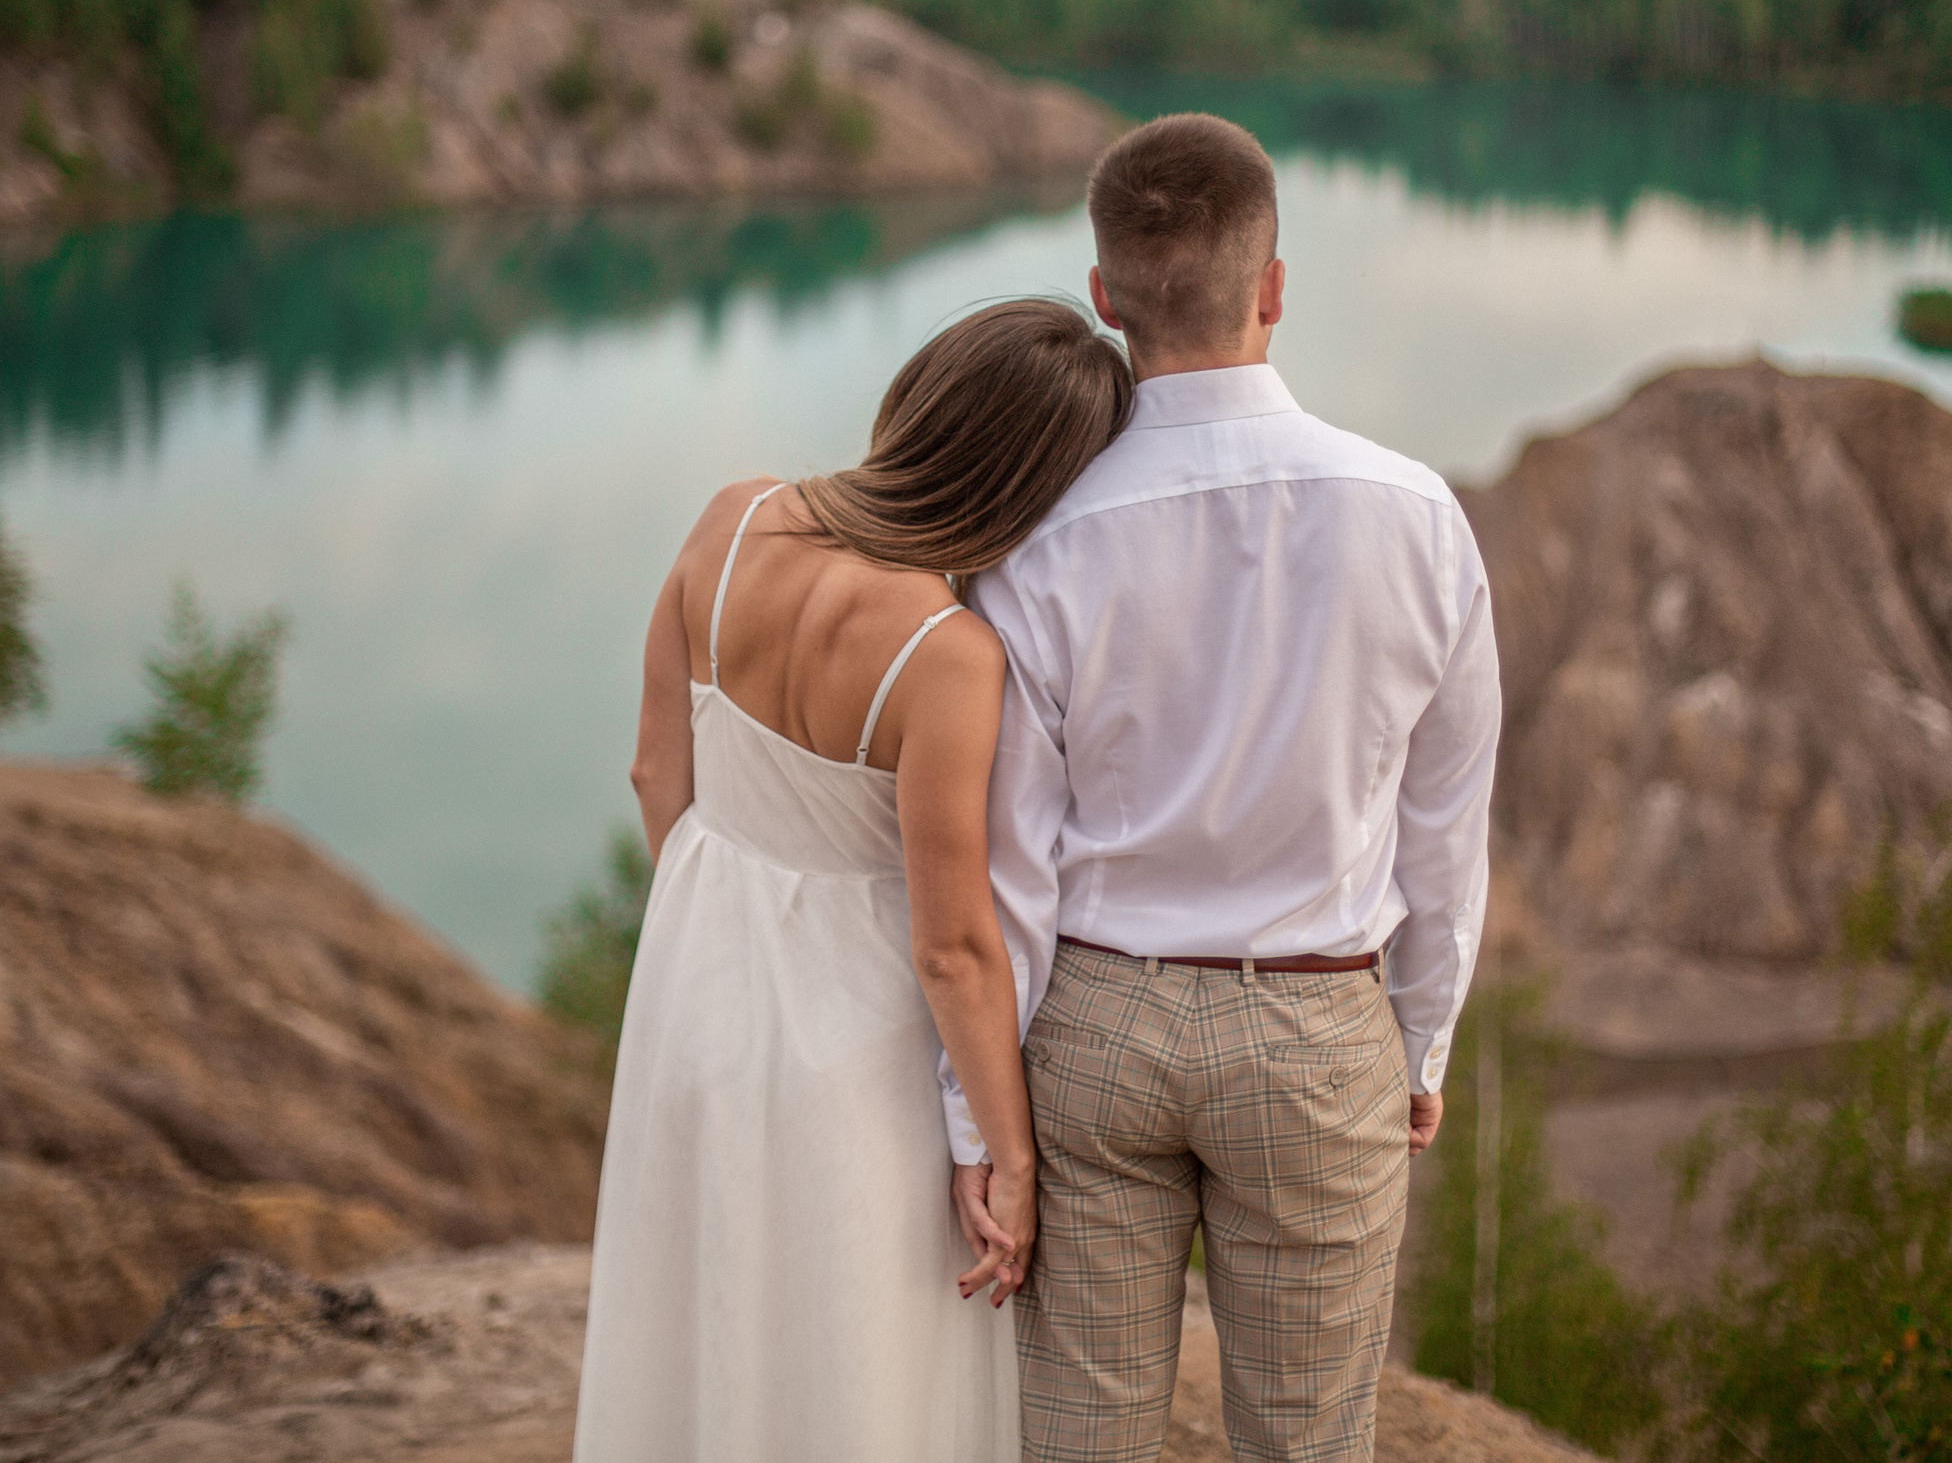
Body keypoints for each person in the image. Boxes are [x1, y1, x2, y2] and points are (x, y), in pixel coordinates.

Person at [951, 114, 1501, 1463]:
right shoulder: (1418, 516)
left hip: (1093, 1027)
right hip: (1317, 1028)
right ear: (1274, 286)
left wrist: (981, 1122)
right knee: (1308, 1442)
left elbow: (1008, 865)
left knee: (1079, 1441)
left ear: (1104, 296)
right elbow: (1444, 828)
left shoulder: (1037, 542)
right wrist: (1420, 1040)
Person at [572, 299, 1135, 1463]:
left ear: (916, 398)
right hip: (863, 1051)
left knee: (709, 1315)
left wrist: (720, 932)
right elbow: (953, 949)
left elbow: (654, 775)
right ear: (1030, 489)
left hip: (696, 995)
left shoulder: (732, 516)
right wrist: (1011, 1156)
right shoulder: (949, 657)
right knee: (857, 1358)